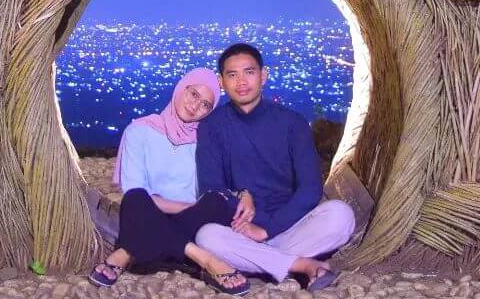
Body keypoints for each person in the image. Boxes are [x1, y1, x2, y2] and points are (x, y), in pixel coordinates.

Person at [194, 43, 354, 292]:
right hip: (239, 230)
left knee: (341, 215)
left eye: (249, 72)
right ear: (221, 81)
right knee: (207, 235)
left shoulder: (292, 123)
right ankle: (303, 265)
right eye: (232, 75)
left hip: (289, 225)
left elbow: (310, 189)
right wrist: (239, 198)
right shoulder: (212, 126)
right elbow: (211, 188)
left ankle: (254, 263)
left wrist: (266, 229)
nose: (242, 81)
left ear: (263, 75)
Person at [88, 68, 252, 295]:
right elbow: (135, 190)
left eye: (205, 105)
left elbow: (225, 182)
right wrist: (184, 206)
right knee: (135, 199)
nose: (195, 106)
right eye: (194, 94)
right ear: (181, 88)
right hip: (146, 211)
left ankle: (128, 251)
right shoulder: (140, 131)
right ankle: (203, 259)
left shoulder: (206, 143)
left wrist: (244, 193)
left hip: (190, 218)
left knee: (217, 202)